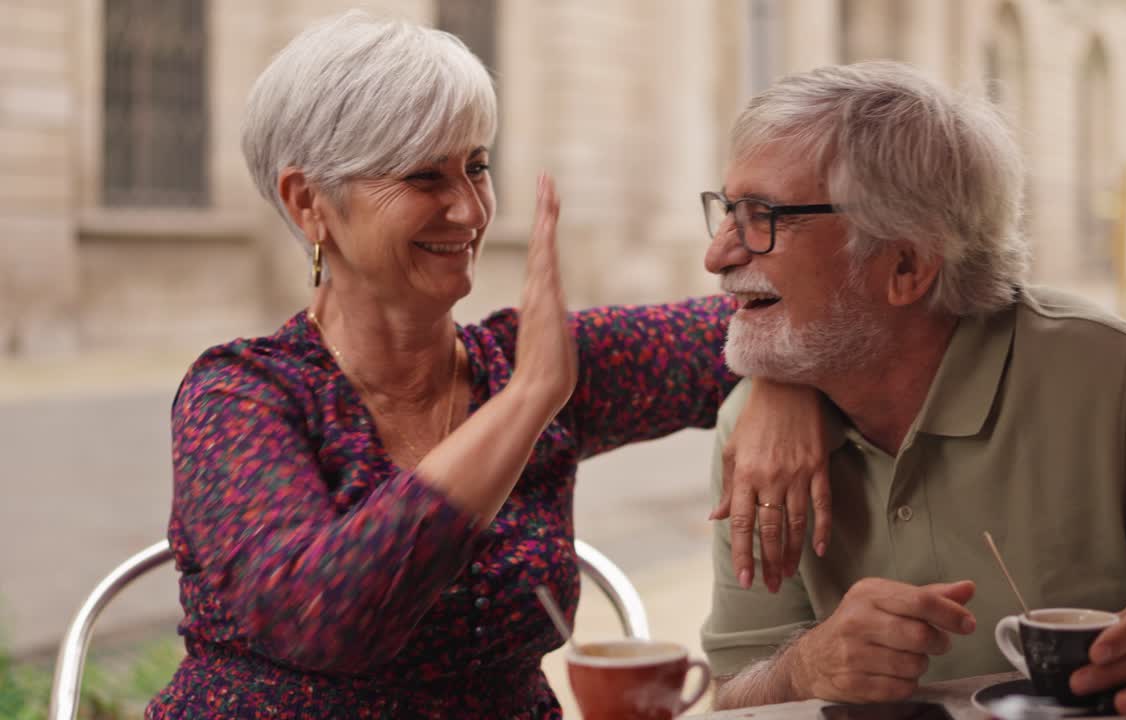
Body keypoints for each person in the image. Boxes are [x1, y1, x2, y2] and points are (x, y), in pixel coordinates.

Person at [145, 11, 827, 719]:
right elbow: (326, 616)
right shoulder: (240, 395)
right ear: (308, 202)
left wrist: (779, 380)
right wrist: (528, 401)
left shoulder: (519, 360)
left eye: (476, 167)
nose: (470, 210)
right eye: (423, 177)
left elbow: (802, 314)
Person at [698, 61, 1126, 720]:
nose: (718, 255)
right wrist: (802, 667)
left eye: (762, 216)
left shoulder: (1123, 386)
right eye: (726, 210)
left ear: (908, 263)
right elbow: (731, 693)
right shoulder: (753, 431)